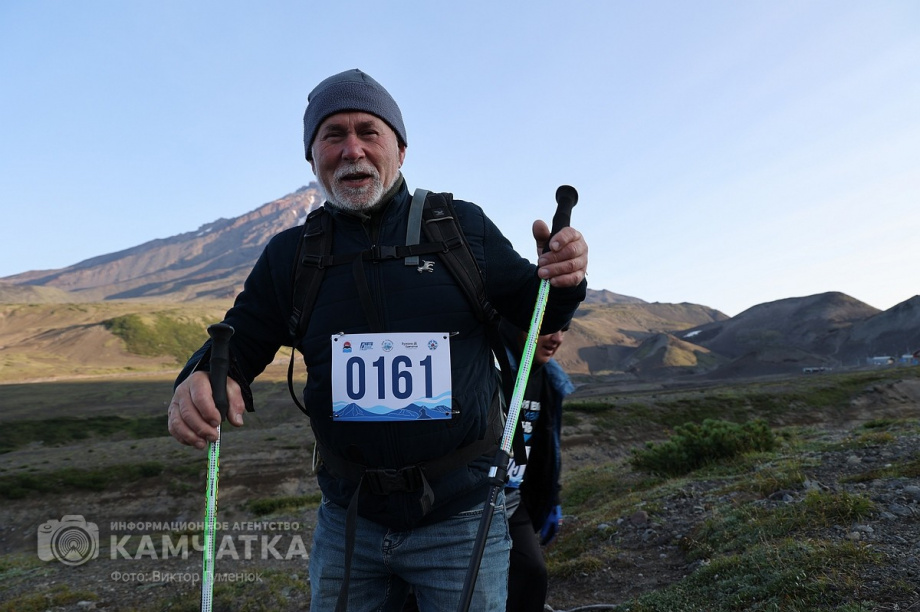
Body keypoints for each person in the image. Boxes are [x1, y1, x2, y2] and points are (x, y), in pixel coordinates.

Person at [166, 68, 588, 612]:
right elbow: (238, 344)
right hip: (348, 523)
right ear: (312, 155)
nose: (351, 149)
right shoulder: (290, 255)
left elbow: (535, 318)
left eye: (369, 131)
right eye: (332, 135)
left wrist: (566, 279)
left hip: (460, 519)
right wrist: (199, 377)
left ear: (401, 149)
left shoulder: (461, 229)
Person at [500, 320, 573, 612]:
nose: (557, 338)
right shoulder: (490, 366)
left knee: (532, 574)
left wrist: (552, 498)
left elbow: (546, 449)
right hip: (471, 500)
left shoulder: (550, 379)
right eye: (548, 326)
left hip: (512, 498)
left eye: (564, 328)